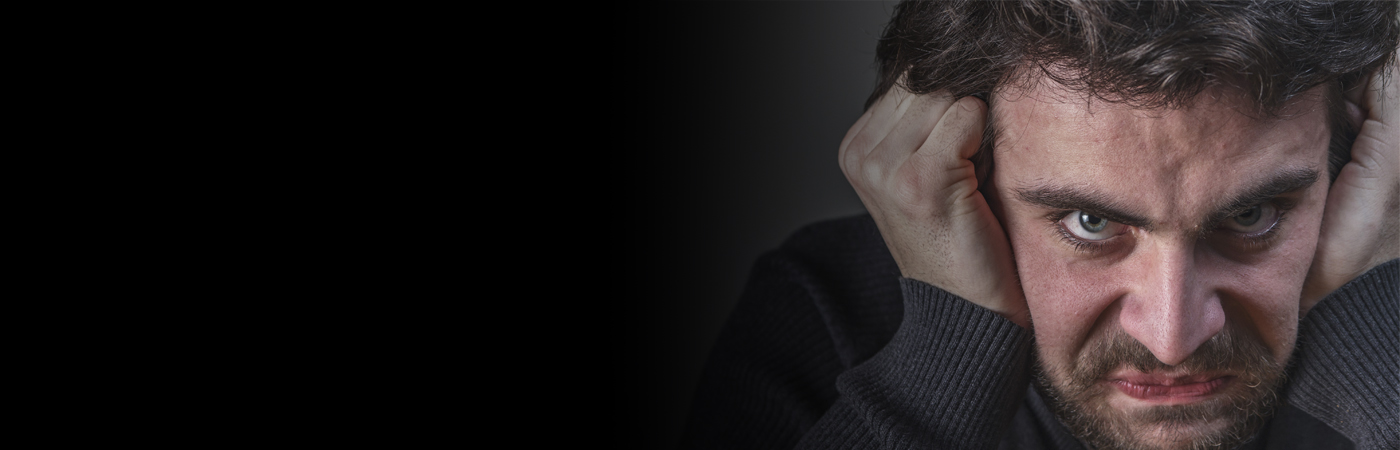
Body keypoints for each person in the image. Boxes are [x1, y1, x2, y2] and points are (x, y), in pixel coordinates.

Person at [683, 1, 1399, 449]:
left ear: (1354, 161)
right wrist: (935, 375)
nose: (1173, 338)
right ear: (970, 175)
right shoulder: (826, 314)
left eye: (1250, 215)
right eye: (1090, 222)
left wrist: (1379, 334)